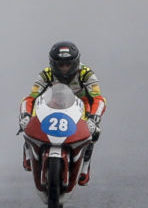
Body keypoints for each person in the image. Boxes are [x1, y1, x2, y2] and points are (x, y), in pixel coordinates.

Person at [19, 41, 107, 184]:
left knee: (94, 132)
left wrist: (94, 119)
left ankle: (85, 165)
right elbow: (30, 98)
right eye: (61, 64)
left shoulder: (86, 73)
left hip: (80, 106)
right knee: (29, 122)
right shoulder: (46, 74)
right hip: (52, 104)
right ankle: (28, 151)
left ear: (76, 62)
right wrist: (26, 116)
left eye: (68, 64)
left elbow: (99, 99)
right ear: (53, 63)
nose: (65, 68)